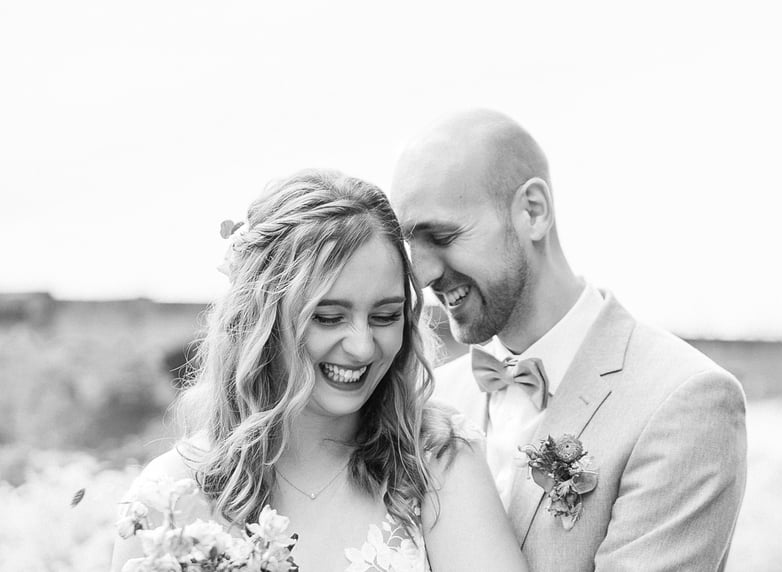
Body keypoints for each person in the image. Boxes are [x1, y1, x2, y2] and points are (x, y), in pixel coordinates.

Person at [110, 169, 528, 572]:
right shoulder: (168, 498)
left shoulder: (439, 460)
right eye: (329, 318)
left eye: (385, 316)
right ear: (262, 320)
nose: (363, 347)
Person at [390, 109, 748, 571]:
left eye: (442, 236)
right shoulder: (429, 399)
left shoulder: (686, 400)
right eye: (410, 246)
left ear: (533, 211)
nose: (421, 276)